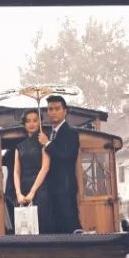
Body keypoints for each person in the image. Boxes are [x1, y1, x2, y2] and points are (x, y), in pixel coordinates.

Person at [39, 95, 81, 233]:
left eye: (57, 108)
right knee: (56, 223)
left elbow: (68, 156)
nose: (53, 112)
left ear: (65, 111)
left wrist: (47, 144)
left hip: (65, 185)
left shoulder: (71, 132)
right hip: (52, 187)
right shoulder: (51, 133)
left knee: (69, 222)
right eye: (50, 109)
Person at [14, 109, 52, 232]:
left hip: (41, 186)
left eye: (35, 121)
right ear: (24, 124)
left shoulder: (44, 142)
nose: (31, 124)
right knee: (25, 224)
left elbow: (45, 168)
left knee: (42, 218)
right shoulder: (19, 147)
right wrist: (19, 193)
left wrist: (32, 192)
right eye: (28, 121)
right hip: (24, 186)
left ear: (40, 123)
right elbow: (16, 172)